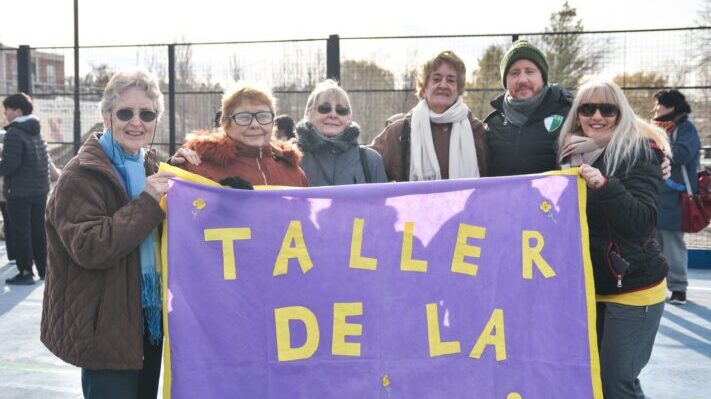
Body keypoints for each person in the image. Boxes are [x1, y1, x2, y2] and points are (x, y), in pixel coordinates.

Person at [41, 69, 174, 399]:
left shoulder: (151, 166)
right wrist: (148, 203)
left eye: (147, 114)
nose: (136, 122)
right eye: (125, 112)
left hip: (149, 316)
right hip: (105, 322)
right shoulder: (81, 174)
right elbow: (90, 247)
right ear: (106, 115)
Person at [558, 80, 669, 399]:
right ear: (576, 114)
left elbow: (643, 220)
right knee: (593, 381)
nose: (597, 116)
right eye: (587, 108)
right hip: (590, 287)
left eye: (607, 109)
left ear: (621, 114)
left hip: (634, 286)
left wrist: (605, 186)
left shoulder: (640, 152)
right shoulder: (569, 154)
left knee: (617, 383)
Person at [370, 50, 488, 181]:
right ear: (424, 87)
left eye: (451, 80)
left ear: (458, 88)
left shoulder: (477, 131)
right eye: (436, 79)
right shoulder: (399, 132)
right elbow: (366, 167)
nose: (443, 85)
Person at [173, 83, 308, 187]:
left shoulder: (294, 173)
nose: (255, 124)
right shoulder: (199, 167)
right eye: (244, 117)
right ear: (226, 123)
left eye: (263, 116)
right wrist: (174, 167)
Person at [485, 39, 573, 176]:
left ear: (542, 77)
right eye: (514, 73)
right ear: (505, 81)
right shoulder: (492, 125)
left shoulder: (569, 116)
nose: (522, 80)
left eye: (530, 71)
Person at [651, 89, 700, 305]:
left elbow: (681, 154)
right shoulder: (664, 127)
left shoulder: (685, 128)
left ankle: (678, 288)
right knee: (655, 242)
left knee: (672, 243)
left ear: (670, 106)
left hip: (675, 197)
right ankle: (656, 285)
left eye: (659, 105)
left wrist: (657, 143)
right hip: (658, 195)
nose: (656, 109)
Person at [296, 79, 387, 186]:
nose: (333, 115)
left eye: (341, 110)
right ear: (309, 113)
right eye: (325, 108)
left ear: (349, 117)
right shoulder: (292, 158)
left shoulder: (371, 160)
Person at [1, 93, 50, 285]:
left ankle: (25, 272)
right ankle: (44, 269)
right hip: (39, 190)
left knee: (21, 232)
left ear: (18, 111)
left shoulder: (14, 132)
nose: (5, 112)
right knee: (38, 231)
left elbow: (10, 165)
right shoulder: (36, 129)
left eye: (7, 108)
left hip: (19, 192)